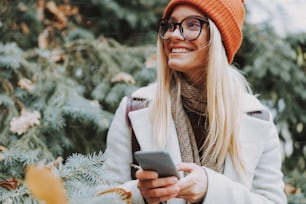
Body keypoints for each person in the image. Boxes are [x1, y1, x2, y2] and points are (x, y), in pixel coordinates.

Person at [101, 0, 287, 203]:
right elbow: (104, 197)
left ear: (219, 38)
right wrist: (141, 194)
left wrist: (210, 189)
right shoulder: (134, 108)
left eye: (192, 25)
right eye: (169, 25)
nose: (173, 34)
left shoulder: (257, 118)